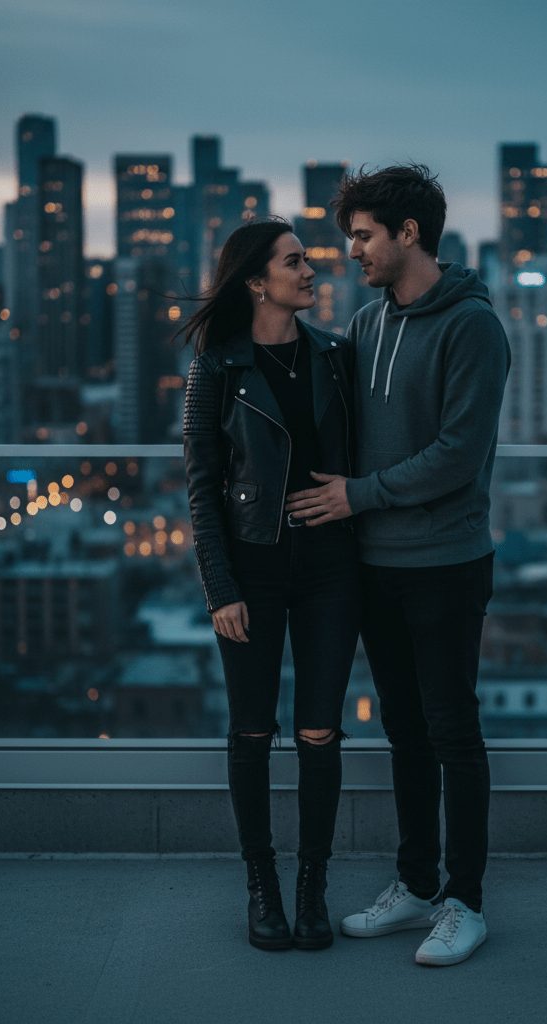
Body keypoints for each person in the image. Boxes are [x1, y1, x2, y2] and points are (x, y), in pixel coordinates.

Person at [285, 165, 510, 967]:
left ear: (409, 233)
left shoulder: (473, 326)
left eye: (365, 235)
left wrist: (359, 496)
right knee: (406, 736)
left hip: (447, 564)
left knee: (454, 733)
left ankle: (466, 902)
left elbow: (458, 455)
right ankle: (415, 886)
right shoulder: (370, 325)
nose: (352, 252)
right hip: (377, 564)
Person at [182, 218, 360, 952]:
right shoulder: (217, 364)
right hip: (251, 567)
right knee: (253, 730)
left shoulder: (335, 356)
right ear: (257, 280)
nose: (311, 271)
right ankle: (262, 885)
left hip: (330, 569)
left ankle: (311, 886)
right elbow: (201, 486)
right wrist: (219, 587)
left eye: (308, 260)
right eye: (296, 262)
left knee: (319, 731)